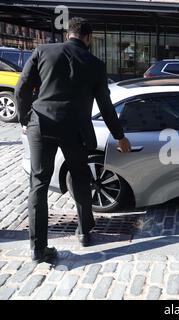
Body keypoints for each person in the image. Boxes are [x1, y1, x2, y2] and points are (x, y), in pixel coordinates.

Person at [15, 17, 131, 263]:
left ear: (70, 33)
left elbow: (22, 87)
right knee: (80, 178)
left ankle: (38, 249)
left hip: (41, 123)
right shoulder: (96, 64)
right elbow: (106, 107)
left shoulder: (43, 51)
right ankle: (85, 232)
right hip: (75, 130)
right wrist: (119, 136)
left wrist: (25, 119)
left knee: (38, 184)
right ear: (88, 37)